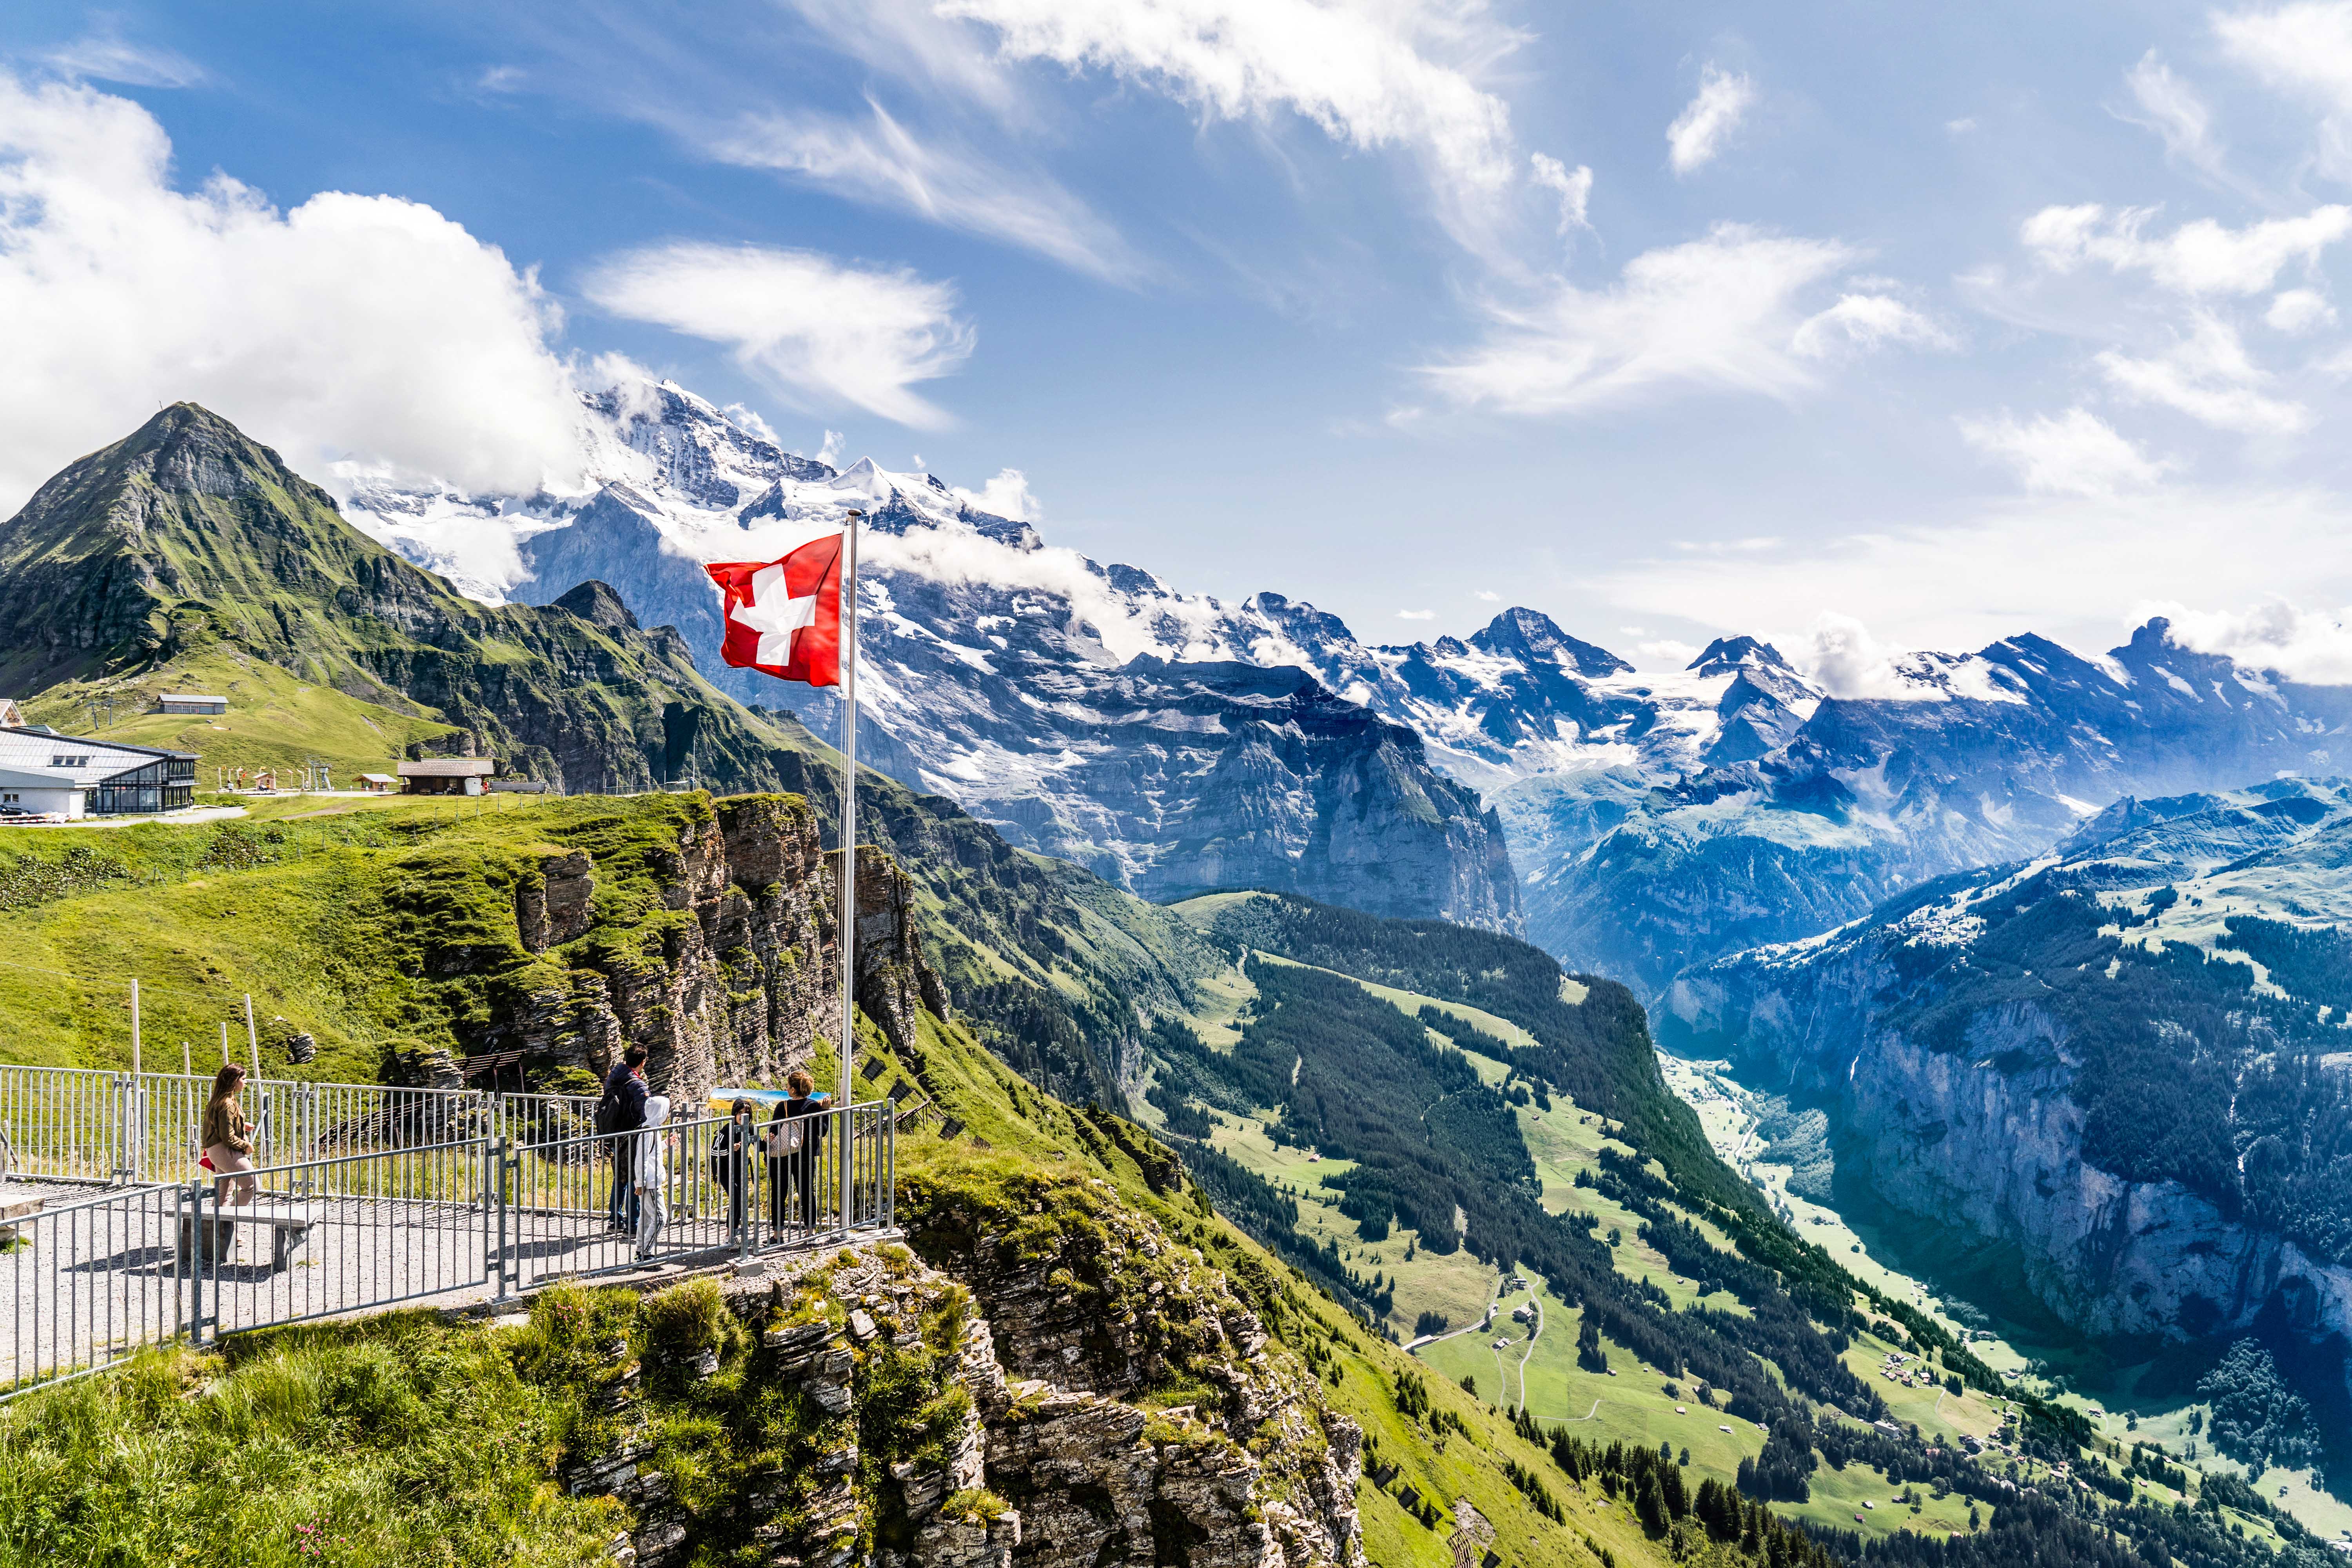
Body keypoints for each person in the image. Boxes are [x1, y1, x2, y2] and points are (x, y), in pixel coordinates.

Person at [766, 1070, 831, 1230]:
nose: (787, 1090)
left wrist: (766, 1149)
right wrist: (825, 1112)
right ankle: (810, 1232)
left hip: (782, 1156)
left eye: (788, 1087)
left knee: (779, 1194)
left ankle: (778, 1235)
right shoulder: (813, 1106)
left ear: (794, 1090)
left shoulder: (783, 1106)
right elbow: (822, 1132)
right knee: (807, 1193)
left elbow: (774, 1131)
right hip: (806, 1155)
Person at [599, 1046, 649, 1233]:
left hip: (614, 1133)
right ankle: (633, 1224)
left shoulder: (614, 1076)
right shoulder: (638, 1085)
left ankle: (615, 1220)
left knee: (620, 1177)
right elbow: (646, 1113)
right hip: (633, 1135)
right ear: (643, 1061)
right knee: (636, 1178)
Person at [201, 1063, 258, 1205]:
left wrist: (241, 1125)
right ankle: (230, 1220)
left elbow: (219, 1125)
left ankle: (216, 1225)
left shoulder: (219, 1100)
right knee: (251, 1186)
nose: (246, 1082)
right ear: (234, 1081)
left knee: (223, 1194)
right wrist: (246, 1145)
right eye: (244, 1079)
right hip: (225, 1150)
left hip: (216, 1151)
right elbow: (228, 1137)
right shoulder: (228, 1104)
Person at [711, 1098, 758, 1235]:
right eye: (740, 1113)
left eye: (747, 1113)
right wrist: (731, 1148)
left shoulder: (750, 1128)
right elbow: (714, 1150)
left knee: (741, 1200)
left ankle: (734, 1232)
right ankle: (730, 1234)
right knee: (736, 1199)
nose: (743, 1116)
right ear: (734, 1113)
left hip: (740, 1170)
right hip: (726, 1171)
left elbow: (759, 1145)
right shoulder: (727, 1129)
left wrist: (767, 1142)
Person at [635, 1093, 671, 1261]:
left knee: (647, 1217)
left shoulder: (651, 1128)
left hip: (649, 1181)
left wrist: (666, 1143)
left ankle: (641, 1250)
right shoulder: (649, 1132)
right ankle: (646, 1254)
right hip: (650, 1183)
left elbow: (651, 1153)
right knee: (660, 1218)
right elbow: (641, 1159)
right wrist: (641, 1183)